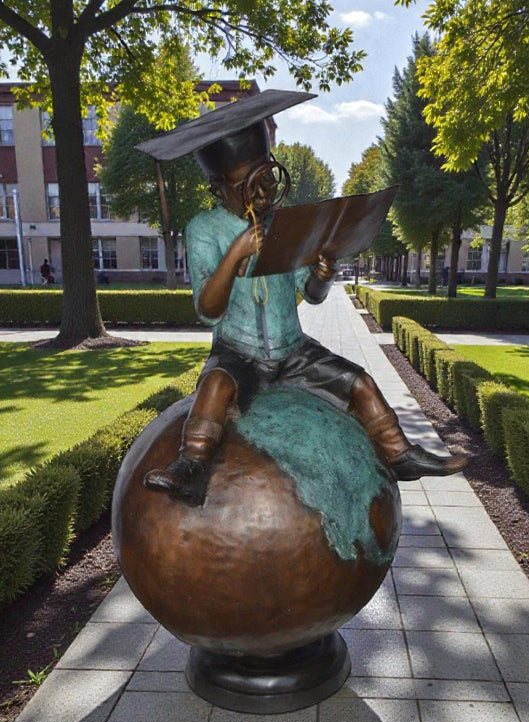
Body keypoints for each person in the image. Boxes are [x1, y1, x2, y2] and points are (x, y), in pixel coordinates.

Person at [141, 90, 467, 504]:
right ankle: (190, 466)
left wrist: (321, 275)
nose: (261, 195)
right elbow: (208, 310)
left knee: (360, 382)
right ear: (220, 188)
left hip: (293, 351)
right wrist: (236, 253)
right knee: (216, 386)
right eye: (248, 186)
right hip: (238, 352)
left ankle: (400, 455)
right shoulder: (204, 229)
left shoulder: (283, 222)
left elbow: (309, 295)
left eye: (266, 179)